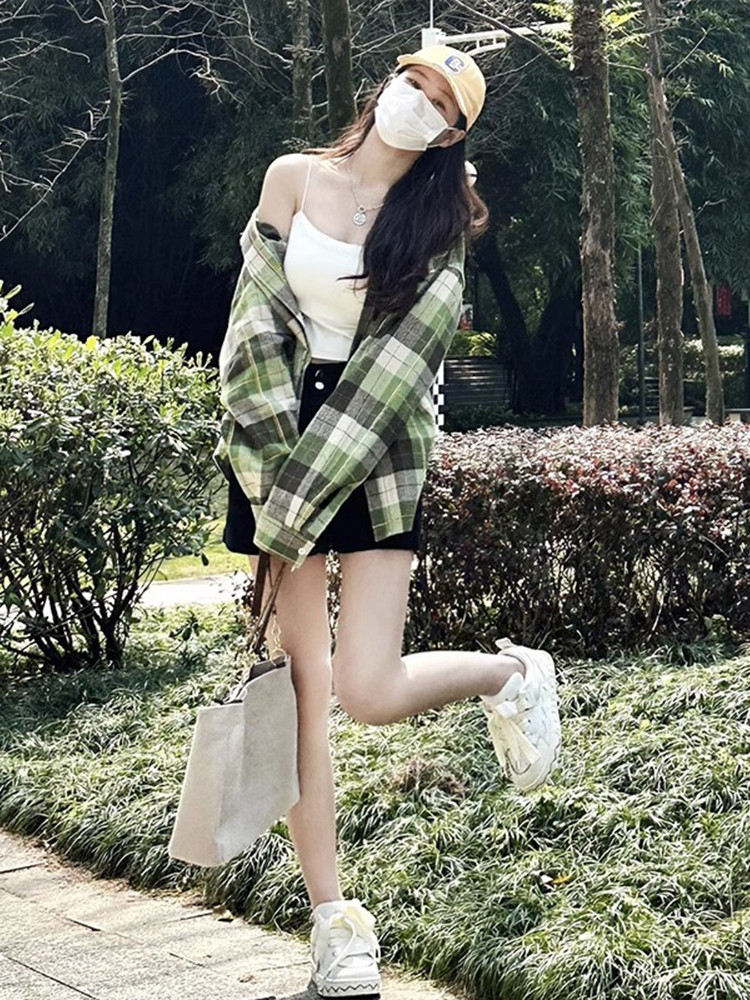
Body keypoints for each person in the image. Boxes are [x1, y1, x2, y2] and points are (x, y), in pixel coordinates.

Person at [214, 44, 562, 998]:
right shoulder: (292, 177)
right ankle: (336, 926)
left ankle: (509, 673)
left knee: (365, 688)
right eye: (414, 82)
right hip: (274, 444)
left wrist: (299, 499)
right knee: (302, 698)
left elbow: (400, 366)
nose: (417, 102)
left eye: (440, 102)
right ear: (388, 83)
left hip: (378, 451)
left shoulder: (440, 223)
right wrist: (275, 472)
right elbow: (251, 329)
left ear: (451, 137)